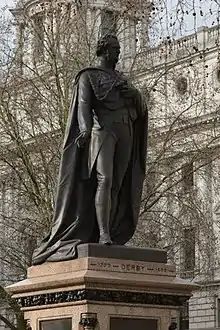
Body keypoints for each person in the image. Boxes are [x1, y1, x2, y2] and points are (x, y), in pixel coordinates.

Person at [32, 34, 148, 265]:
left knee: (117, 183)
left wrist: (135, 95)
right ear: (105, 51)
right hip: (102, 131)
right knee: (104, 179)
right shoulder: (88, 76)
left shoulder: (122, 79)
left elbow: (140, 108)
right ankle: (103, 234)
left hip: (125, 130)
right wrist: (84, 130)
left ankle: (111, 232)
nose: (118, 53)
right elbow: (83, 106)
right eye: (115, 49)